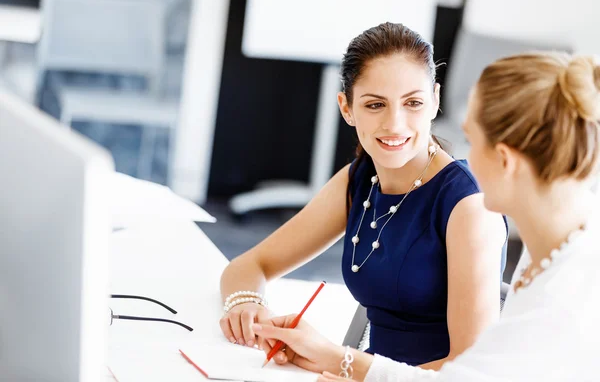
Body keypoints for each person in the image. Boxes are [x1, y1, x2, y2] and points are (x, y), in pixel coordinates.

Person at [251, 51, 600, 382]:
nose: (463, 160)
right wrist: (336, 359)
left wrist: (343, 364)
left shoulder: (570, 291)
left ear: (505, 160)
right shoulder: (551, 250)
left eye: (470, 140)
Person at [219, 22, 508, 370]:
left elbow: (472, 370)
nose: (395, 124)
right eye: (375, 105)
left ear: (435, 100)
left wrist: (336, 359)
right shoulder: (360, 179)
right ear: (347, 108)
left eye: (413, 103)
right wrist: (247, 306)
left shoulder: (468, 205)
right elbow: (249, 265)